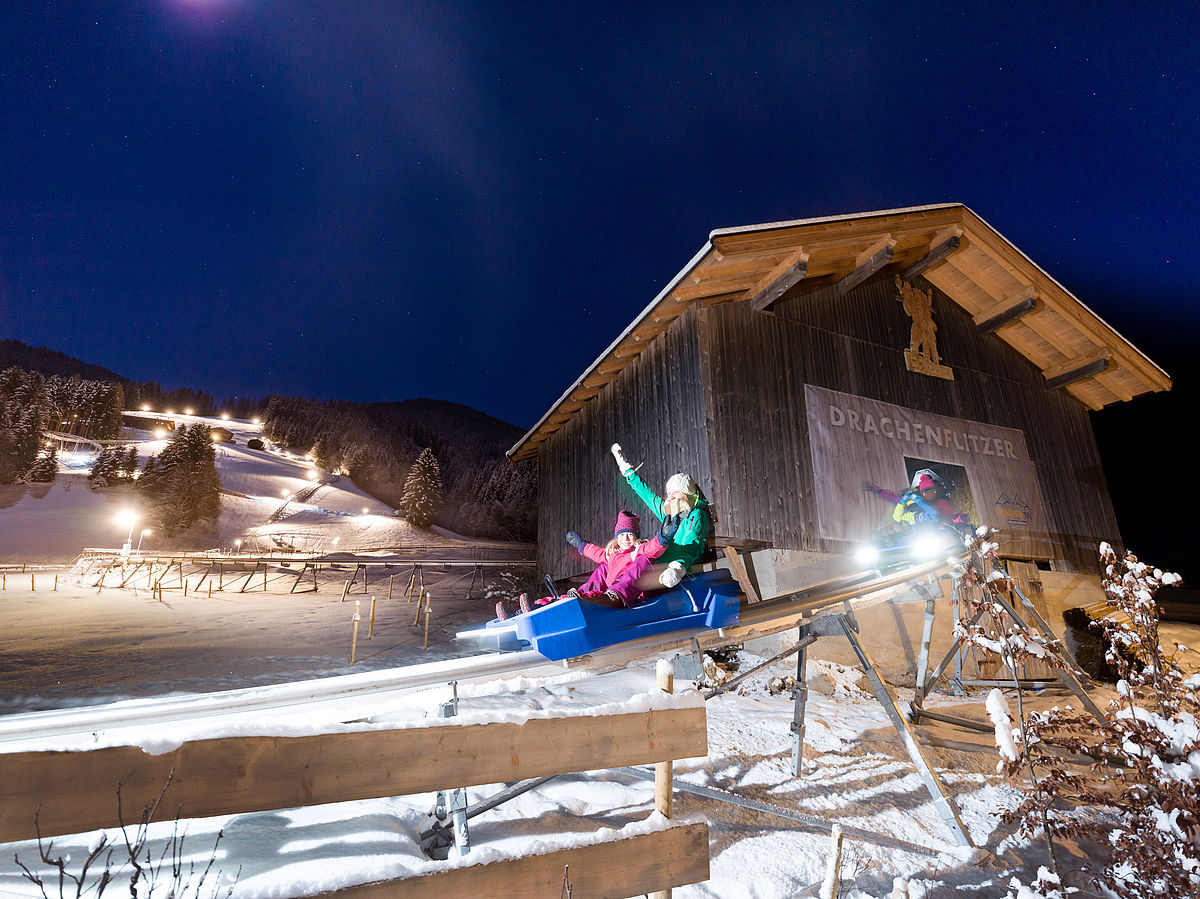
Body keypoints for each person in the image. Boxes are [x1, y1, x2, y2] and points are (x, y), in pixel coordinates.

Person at [496, 510, 678, 618]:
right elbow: (598, 553)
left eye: (630, 534)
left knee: (643, 561)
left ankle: (608, 598)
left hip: (625, 593)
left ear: (636, 536)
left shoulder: (638, 551)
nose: (626, 539)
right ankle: (537, 608)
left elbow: (652, 549)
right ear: (617, 536)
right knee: (602, 568)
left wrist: (663, 538)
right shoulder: (613, 554)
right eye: (622, 535)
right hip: (607, 589)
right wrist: (581, 546)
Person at [610, 443, 711, 589]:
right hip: (659, 565)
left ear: (686, 495)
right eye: (669, 493)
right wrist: (626, 469)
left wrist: (676, 568)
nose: (669, 497)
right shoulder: (669, 512)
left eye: (674, 493)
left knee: (641, 566)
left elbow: (692, 545)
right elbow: (647, 495)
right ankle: (610, 590)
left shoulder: (695, 515)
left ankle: (619, 593)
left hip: (677, 571)